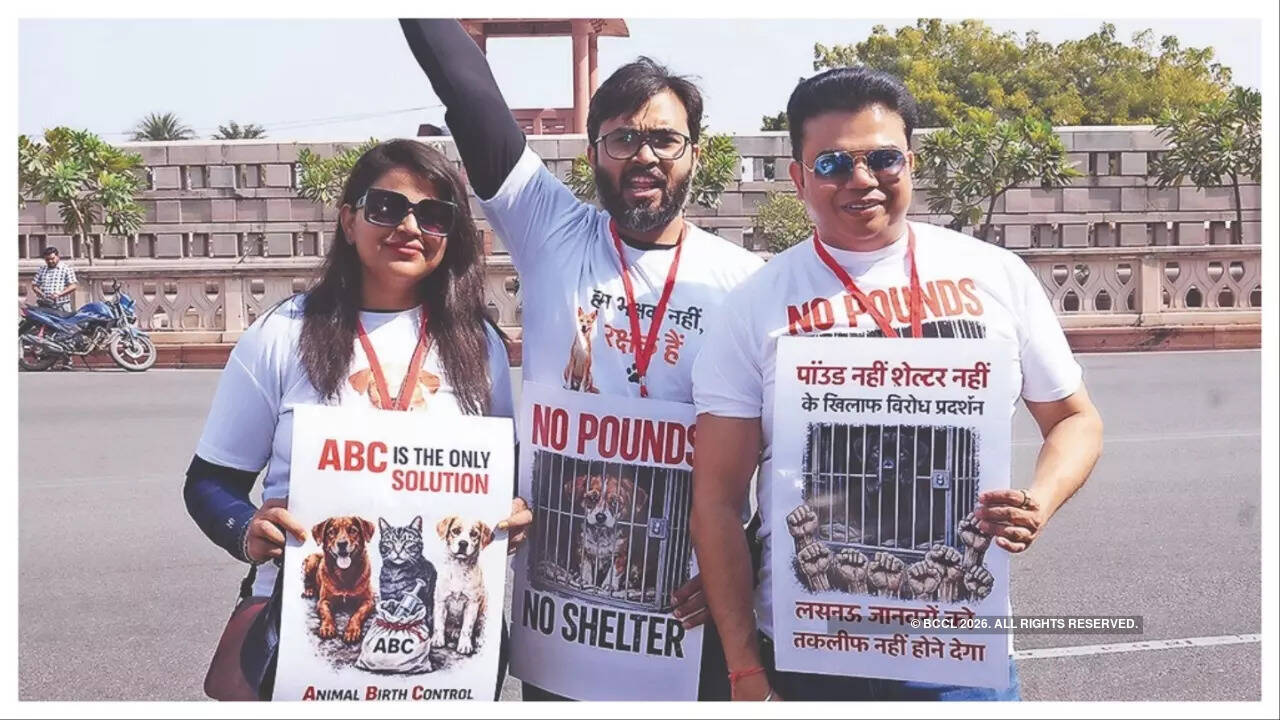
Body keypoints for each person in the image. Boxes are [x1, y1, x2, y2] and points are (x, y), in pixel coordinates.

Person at [690, 67, 1104, 701]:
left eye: (882, 158)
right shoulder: (754, 305)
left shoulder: (996, 276)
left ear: (911, 162)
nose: (861, 180)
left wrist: (1039, 501)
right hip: (810, 656)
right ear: (799, 178)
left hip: (959, 655)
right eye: (832, 163)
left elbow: (1075, 419)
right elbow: (718, 500)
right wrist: (744, 670)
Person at [398, 19, 764, 700]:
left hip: (692, 608)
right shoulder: (552, 230)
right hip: (564, 619)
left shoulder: (747, 283)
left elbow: (779, 454)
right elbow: (468, 93)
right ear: (594, 153)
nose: (644, 156)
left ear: (696, 153)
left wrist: (744, 564)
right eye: (622, 139)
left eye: (664, 139)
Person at [183, 139, 532, 698]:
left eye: (434, 215)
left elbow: (503, 482)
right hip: (301, 626)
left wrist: (511, 514)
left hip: (439, 645)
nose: (409, 227)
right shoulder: (283, 334)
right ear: (349, 221)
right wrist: (246, 530)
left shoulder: (479, 344)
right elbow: (209, 482)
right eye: (387, 208)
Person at [32, 247, 78, 312]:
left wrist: (59, 294)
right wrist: (42, 294)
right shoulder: (42, 269)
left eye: (52, 258)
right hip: (44, 305)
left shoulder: (66, 269)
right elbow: (34, 286)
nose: (50, 261)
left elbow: (73, 286)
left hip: (62, 305)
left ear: (58, 257)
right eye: (47, 259)